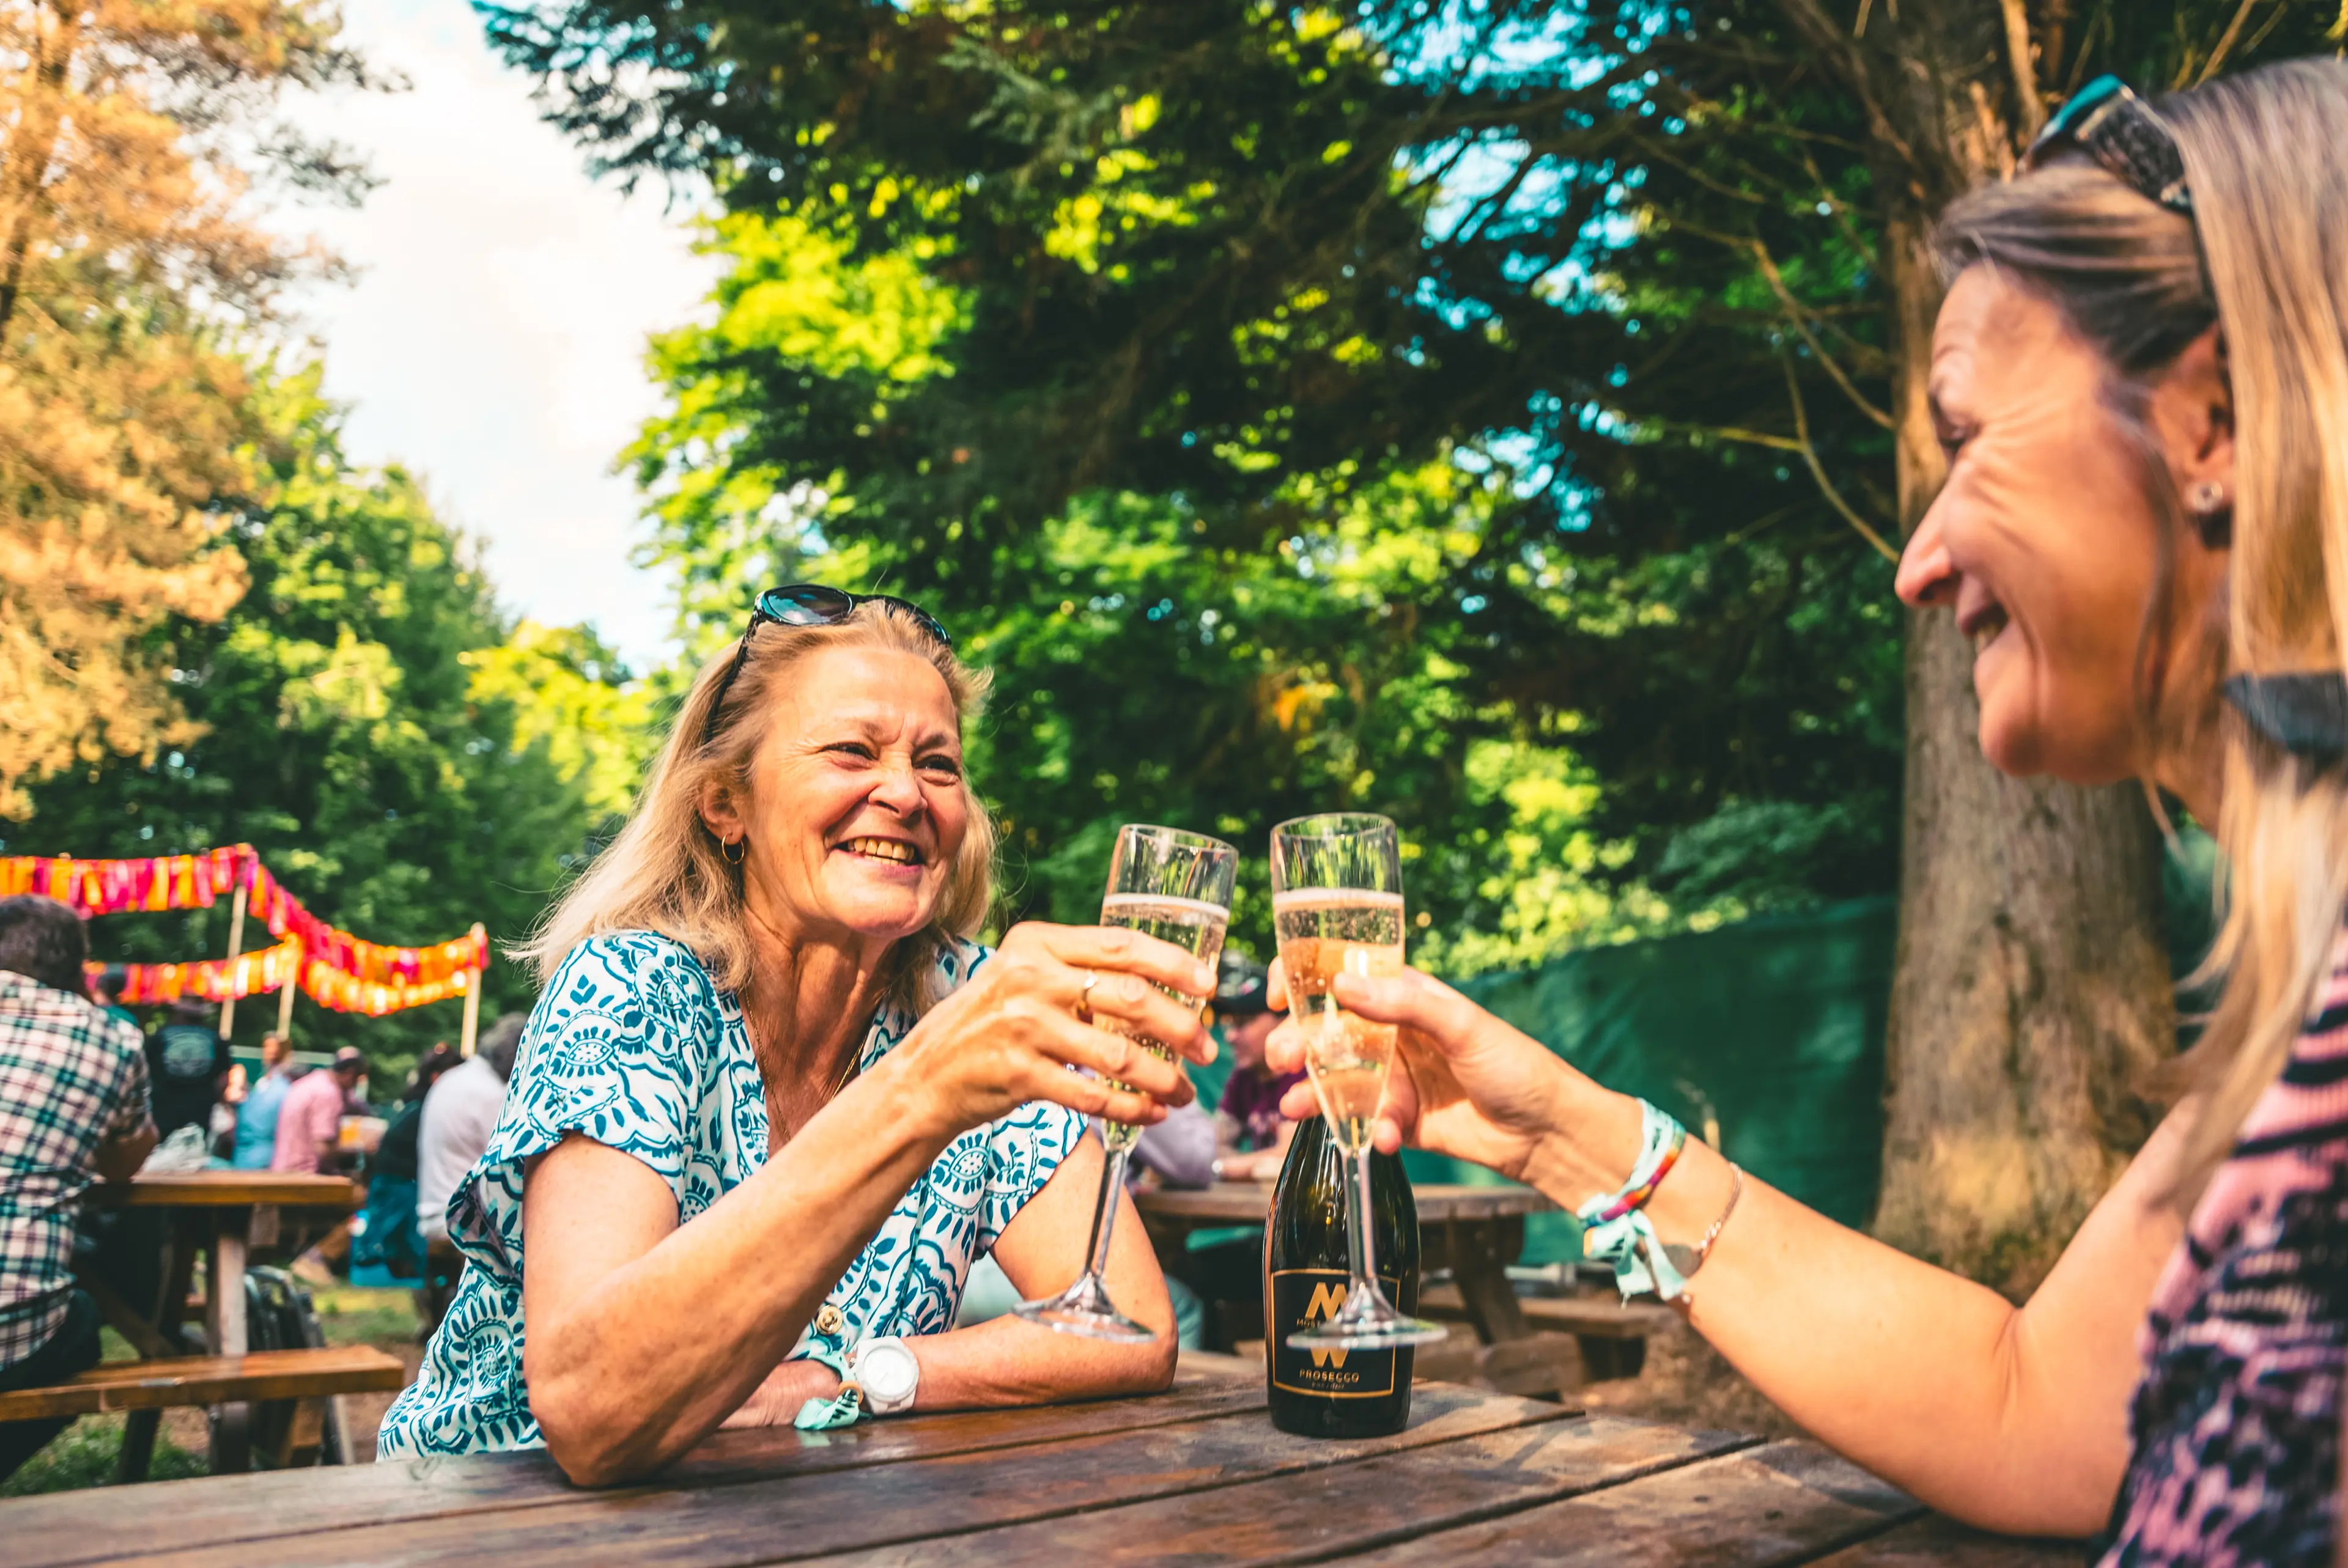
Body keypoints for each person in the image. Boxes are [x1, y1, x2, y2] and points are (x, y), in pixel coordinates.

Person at [1266, 62, 2347, 1563]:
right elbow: (2028, 1408)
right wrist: (1556, 1136)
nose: (1916, 562)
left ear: (2211, 421)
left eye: (1965, 441)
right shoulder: (2303, 1025)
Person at [376, 587, 1216, 1483]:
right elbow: (590, 1411)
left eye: (939, 764)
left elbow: (1126, 1324)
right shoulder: (634, 987)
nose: (903, 791)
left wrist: (856, 1378)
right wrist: (920, 1093)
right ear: (725, 805)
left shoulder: (963, 1002)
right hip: (488, 1515)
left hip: (790, 1519)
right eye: (853, 751)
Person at [0, 896, 155, 1481]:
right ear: (79, 969)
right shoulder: (110, 1038)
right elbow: (124, 1164)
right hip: (16, 1330)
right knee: (81, 1324)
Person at [413, 1015, 523, 1248]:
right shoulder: (490, 1093)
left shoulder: (455, 1078)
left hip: (433, 1210)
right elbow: (512, 1162)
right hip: (461, 1218)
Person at [1205, 955, 1301, 1182]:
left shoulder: (1302, 1072)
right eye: (1230, 1023)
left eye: (1242, 1023)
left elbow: (1290, 1158)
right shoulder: (1244, 1078)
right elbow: (1209, 1144)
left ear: (1281, 1018)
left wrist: (1221, 1167)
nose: (1230, 1035)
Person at [144, 998, 231, 1147]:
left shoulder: (160, 1036)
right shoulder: (216, 1039)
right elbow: (223, 1080)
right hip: (200, 1112)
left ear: (178, 1013)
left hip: (163, 1112)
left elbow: (143, 1072)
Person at [272, 1047, 364, 1175]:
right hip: (305, 1177)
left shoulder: (310, 1083)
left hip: (282, 1170)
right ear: (350, 1073)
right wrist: (361, 1144)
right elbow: (322, 1149)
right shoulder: (329, 1094)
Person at [231, 1032, 296, 1169]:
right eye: (266, 1047)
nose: (270, 1052)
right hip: (244, 1154)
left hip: (264, 1157)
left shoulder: (283, 1088)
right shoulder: (263, 1083)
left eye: (275, 1047)